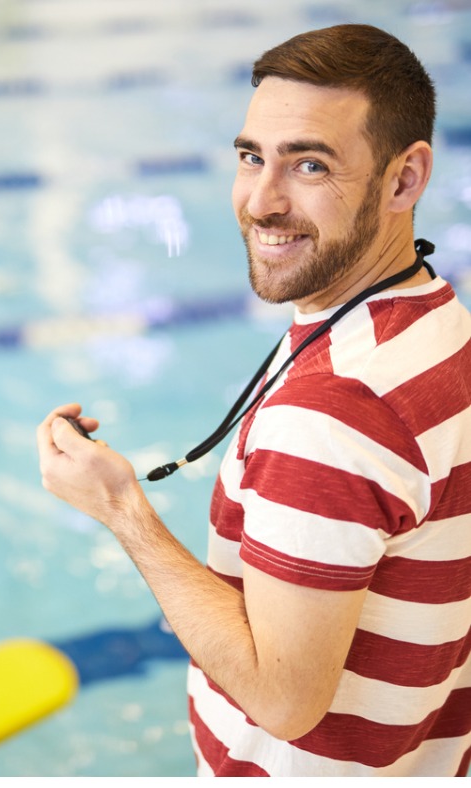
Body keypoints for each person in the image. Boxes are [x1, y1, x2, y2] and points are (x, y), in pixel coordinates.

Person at [37, 24, 471, 777]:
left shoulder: (332, 413)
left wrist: (122, 511)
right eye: (251, 158)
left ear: (405, 180)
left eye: (310, 164)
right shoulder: (439, 329)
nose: (261, 202)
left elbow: (283, 699)